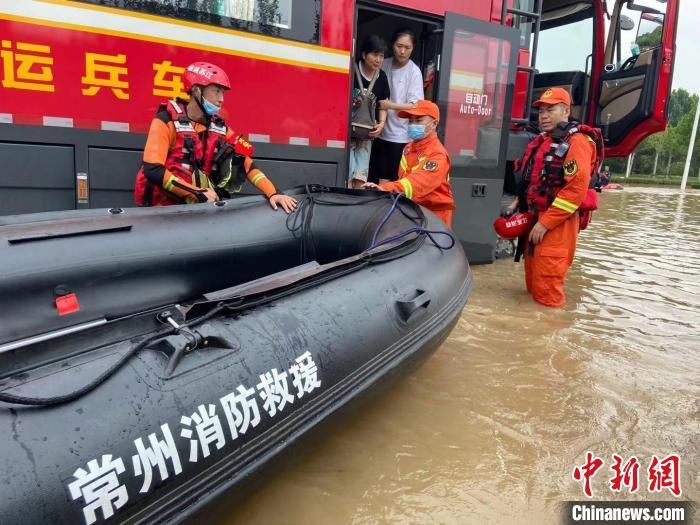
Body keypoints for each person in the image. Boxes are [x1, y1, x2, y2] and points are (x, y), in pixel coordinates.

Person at [134, 61, 297, 212]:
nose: (221, 99)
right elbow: (153, 169)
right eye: (216, 91)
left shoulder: (221, 128)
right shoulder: (165, 120)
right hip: (164, 209)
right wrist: (196, 192)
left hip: (198, 210)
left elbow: (248, 165)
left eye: (223, 93)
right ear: (197, 90)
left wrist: (273, 193)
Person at [509, 87, 601, 307]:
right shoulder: (543, 141)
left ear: (566, 111)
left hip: (557, 224)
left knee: (547, 293)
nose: (543, 115)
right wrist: (517, 205)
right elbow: (534, 179)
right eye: (541, 110)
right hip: (536, 219)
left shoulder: (577, 142)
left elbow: (575, 190)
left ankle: (548, 336)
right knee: (533, 285)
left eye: (550, 109)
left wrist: (545, 223)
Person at [362, 100, 455, 227]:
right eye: (410, 120)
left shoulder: (437, 154)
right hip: (414, 211)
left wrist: (386, 189)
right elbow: (405, 180)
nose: (412, 124)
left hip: (434, 218)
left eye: (419, 120)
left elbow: (418, 184)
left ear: (434, 124)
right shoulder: (409, 148)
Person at [368, 28, 424, 184]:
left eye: (408, 48)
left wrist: (389, 105)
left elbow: (416, 106)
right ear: (392, 45)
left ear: (413, 49)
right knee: (375, 178)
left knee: (393, 181)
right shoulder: (382, 63)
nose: (403, 51)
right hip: (378, 132)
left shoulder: (414, 72)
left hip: (400, 136)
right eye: (399, 46)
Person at [349, 35, 391, 189]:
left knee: (360, 176)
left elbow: (383, 104)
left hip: (367, 134)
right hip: (347, 133)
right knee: (347, 175)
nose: (379, 60)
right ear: (364, 54)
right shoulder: (351, 69)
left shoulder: (382, 77)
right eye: (375, 54)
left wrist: (381, 124)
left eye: (381, 56)